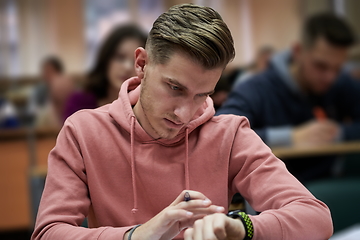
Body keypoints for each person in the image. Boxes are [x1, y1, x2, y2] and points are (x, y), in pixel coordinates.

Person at [31, 4, 332, 240]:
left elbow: (316, 218)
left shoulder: (229, 134)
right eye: (175, 88)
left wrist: (239, 227)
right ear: (141, 64)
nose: (185, 114)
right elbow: (49, 232)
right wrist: (138, 234)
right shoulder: (83, 132)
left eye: (202, 95)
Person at [217, 12, 360, 183]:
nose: (330, 77)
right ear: (298, 51)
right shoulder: (256, 89)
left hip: (329, 184)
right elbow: (221, 135)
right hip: (272, 191)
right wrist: (290, 137)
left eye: (337, 68)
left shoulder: (340, 83)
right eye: (320, 66)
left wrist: (338, 133)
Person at [63, 24, 147, 120]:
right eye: (120, 57)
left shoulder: (147, 108)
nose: (127, 67)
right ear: (106, 59)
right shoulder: (80, 102)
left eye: (136, 61)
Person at [28, 56, 74, 127]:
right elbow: (32, 112)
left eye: (50, 71)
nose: (46, 74)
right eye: (45, 71)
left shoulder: (67, 86)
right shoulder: (38, 91)